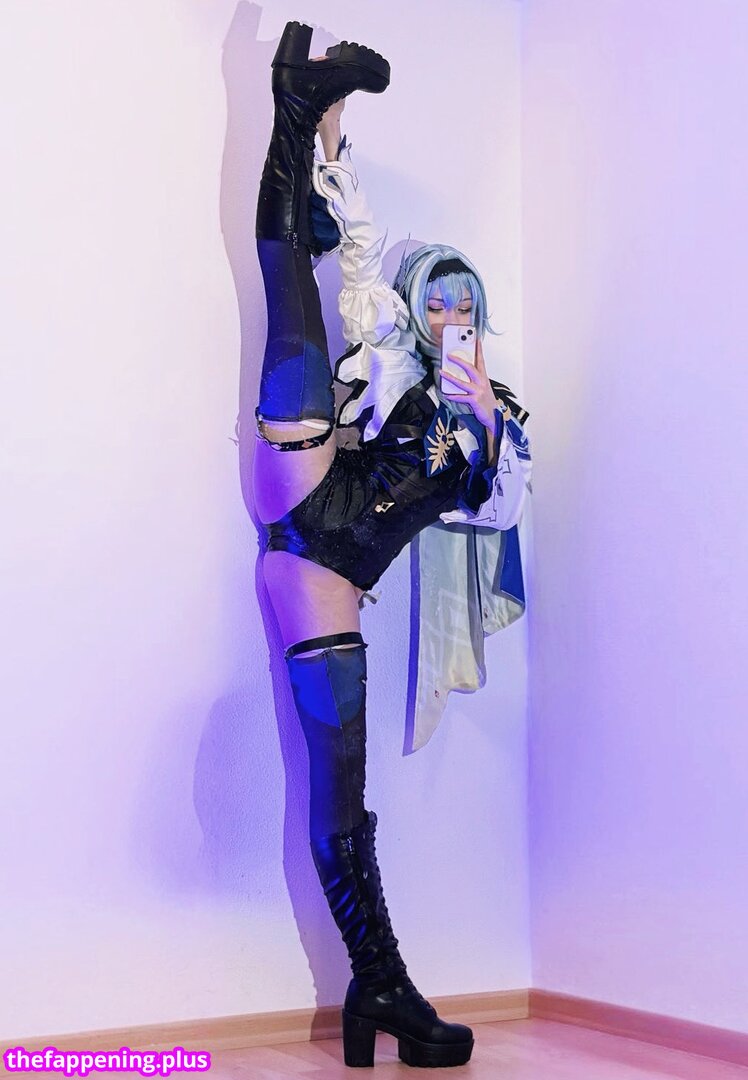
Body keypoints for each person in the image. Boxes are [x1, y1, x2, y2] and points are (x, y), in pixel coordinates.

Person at [251, 20, 531, 1069]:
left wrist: (485, 420)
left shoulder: (502, 415)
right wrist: (331, 129)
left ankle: (378, 986)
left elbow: (494, 512)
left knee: (342, 795)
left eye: (467, 296)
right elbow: (358, 252)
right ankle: (295, 102)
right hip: (313, 481)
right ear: (420, 304)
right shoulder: (394, 351)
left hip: (327, 575)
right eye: (438, 293)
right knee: (292, 298)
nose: (451, 306)